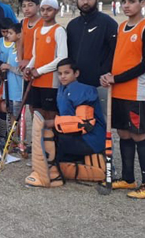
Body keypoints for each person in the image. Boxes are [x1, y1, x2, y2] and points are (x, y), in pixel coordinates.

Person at [100, 0, 145, 199]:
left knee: (138, 135)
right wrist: (107, 74)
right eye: (123, 1)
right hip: (117, 92)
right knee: (123, 133)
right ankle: (127, 178)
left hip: (135, 93)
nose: (126, 5)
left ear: (142, 3)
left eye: (131, 1)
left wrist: (118, 78)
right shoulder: (121, 27)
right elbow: (117, 57)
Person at [25, 58, 106, 188]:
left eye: (66, 73)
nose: (62, 76)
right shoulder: (62, 89)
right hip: (75, 135)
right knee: (48, 133)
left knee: (50, 136)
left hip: (90, 139)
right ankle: (55, 167)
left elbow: (84, 123)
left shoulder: (83, 90)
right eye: (60, 73)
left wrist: (54, 122)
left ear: (76, 74)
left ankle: (53, 176)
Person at [66, 0, 118, 110]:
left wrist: (104, 72)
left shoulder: (108, 23)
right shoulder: (72, 25)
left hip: (99, 84)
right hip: (76, 83)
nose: (85, 2)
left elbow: (115, 52)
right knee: (76, 122)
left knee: (100, 122)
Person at [24, 0, 67, 124]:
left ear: (56, 10)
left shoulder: (58, 30)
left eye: (49, 9)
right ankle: (38, 144)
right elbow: (35, 55)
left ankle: (52, 143)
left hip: (50, 82)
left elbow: (62, 57)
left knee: (50, 116)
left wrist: (40, 71)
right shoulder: (38, 31)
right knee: (38, 116)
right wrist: (28, 68)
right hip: (36, 81)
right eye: (43, 9)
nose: (45, 13)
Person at [0, 20, 23, 118]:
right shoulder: (11, 49)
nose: (7, 35)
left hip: (18, 92)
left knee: (17, 119)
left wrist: (9, 67)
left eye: (10, 33)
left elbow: (23, 71)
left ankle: (18, 134)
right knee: (10, 118)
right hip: (9, 90)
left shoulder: (23, 51)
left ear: (19, 35)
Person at [17, 0, 42, 90]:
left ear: (38, 6)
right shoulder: (24, 22)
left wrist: (30, 62)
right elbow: (20, 44)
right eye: (24, 6)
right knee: (27, 101)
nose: (26, 9)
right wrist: (20, 61)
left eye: (30, 5)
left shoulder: (43, 23)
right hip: (25, 67)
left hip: (38, 65)